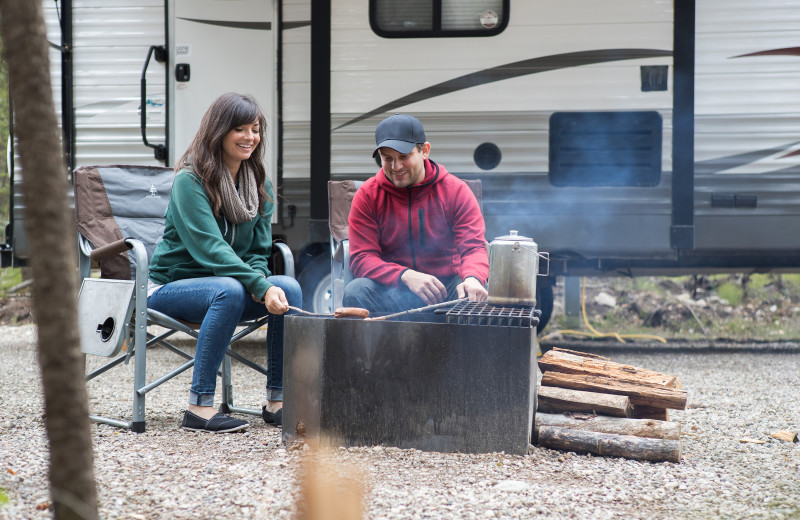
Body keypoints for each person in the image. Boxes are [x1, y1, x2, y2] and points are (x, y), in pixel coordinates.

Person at [147, 92, 301, 433]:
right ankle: (199, 407)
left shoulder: (260, 185)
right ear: (219, 132)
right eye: (240, 129)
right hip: (169, 288)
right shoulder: (190, 181)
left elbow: (258, 252)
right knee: (229, 289)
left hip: (225, 288)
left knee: (289, 286)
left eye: (255, 129)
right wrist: (260, 287)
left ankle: (277, 400)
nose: (250, 137)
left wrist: (265, 282)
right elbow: (210, 249)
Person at [342, 113, 489, 314]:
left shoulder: (456, 191)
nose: (396, 167)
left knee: (475, 294)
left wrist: (473, 278)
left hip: (446, 291)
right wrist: (405, 275)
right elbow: (362, 258)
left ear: (425, 151)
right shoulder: (368, 195)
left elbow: (473, 247)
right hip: (392, 289)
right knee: (356, 290)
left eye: (404, 157)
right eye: (388, 159)